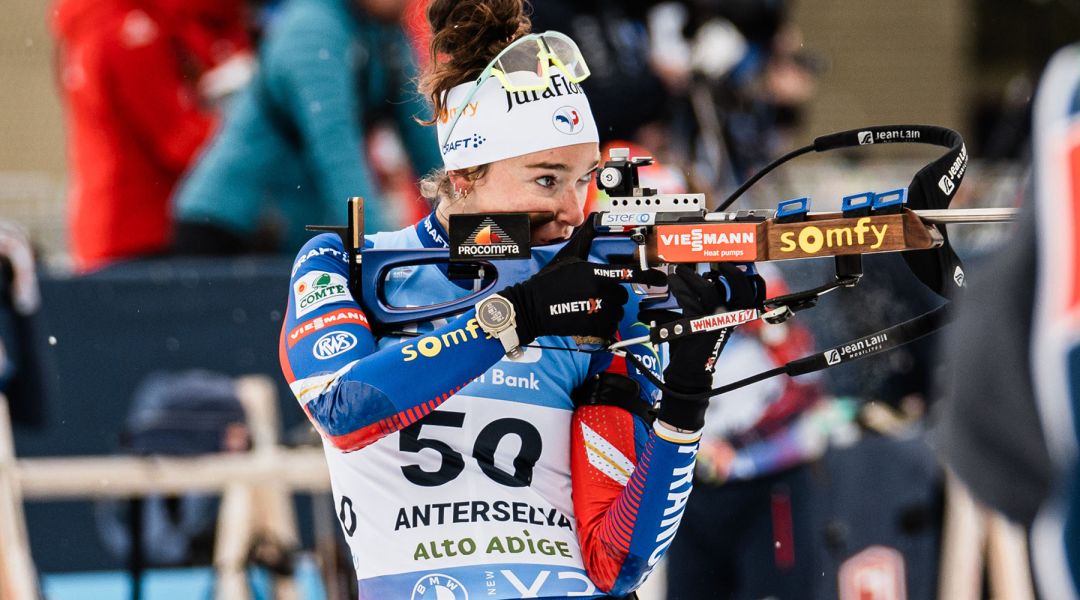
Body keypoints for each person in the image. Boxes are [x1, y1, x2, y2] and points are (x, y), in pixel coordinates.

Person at [278, 1, 761, 597]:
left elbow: (617, 562)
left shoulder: (597, 290)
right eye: (546, 179)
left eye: (584, 179)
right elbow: (345, 409)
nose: (571, 210)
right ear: (462, 175)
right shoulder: (350, 265)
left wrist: (686, 394)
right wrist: (519, 315)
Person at [173, 0, 442, 256]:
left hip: (286, 228)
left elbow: (428, 143)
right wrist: (379, 255)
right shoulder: (310, 29)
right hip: (227, 225)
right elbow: (336, 153)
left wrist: (471, 232)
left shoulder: (386, 33)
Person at [50, 0, 251, 272]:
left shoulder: (100, 20)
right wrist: (248, 125)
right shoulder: (128, 29)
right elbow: (179, 140)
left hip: (115, 227)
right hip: (140, 233)